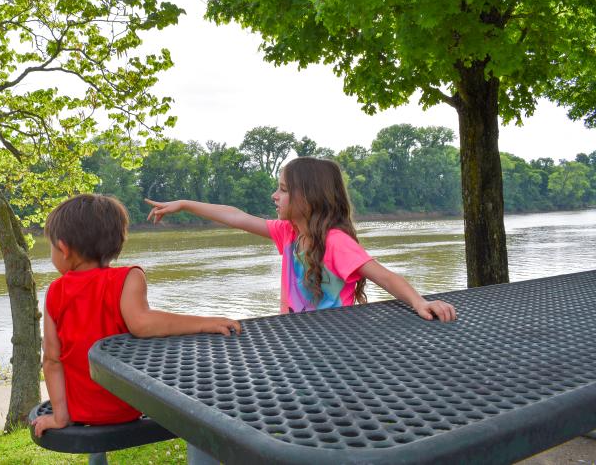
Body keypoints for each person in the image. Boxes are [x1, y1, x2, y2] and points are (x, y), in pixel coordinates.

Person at [146, 157, 456, 321]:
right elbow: (235, 216)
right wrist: (185, 204)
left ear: (307, 197)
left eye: (282, 189)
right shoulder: (288, 233)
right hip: (296, 338)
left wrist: (420, 302)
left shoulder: (335, 242)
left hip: (334, 345)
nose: (274, 196)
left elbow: (384, 276)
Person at [32, 193, 241, 437]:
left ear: (63, 249)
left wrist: (60, 415)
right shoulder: (127, 278)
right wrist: (205, 323)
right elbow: (143, 323)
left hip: (81, 412)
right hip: (130, 407)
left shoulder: (56, 292)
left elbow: (52, 359)